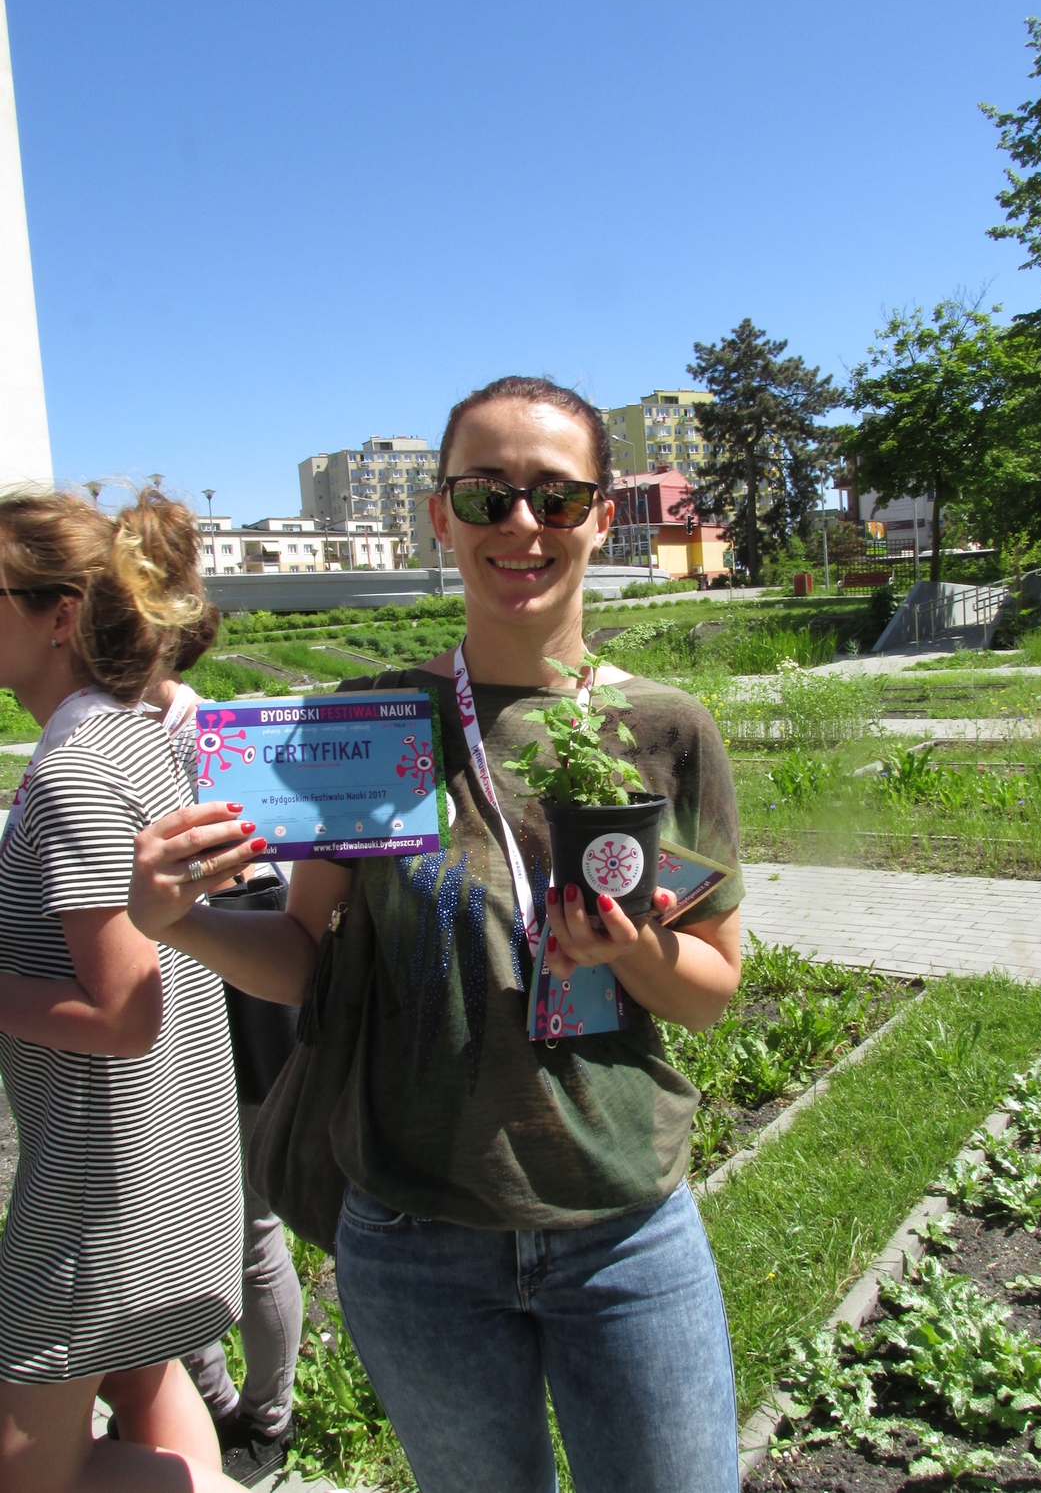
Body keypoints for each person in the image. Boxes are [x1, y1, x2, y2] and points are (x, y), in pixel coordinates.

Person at [128, 377, 746, 1493]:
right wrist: (180, 919)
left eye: (558, 497)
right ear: (439, 516)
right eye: (485, 495)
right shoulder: (366, 725)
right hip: (415, 1242)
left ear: (601, 517)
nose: (522, 524)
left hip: (623, 1226)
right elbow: (303, 959)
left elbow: (709, 992)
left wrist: (635, 951)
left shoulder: (667, 730)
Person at [0, 488, 246, 1493]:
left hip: (97, 1188)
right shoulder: (139, 734)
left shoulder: (76, 770)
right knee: (147, 1381)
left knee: (30, 1477)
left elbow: (122, 1013)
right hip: (172, 1158)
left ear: (59, 616)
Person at [146, 620, 302, 1486]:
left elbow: (261, 873)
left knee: (248, 1227)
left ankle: (267, 1415)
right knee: (172, 1231)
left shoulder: (218, 740)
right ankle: (213, 1402)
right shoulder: (101, 736)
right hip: (170, 1020)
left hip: (236, 1015)